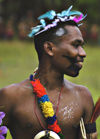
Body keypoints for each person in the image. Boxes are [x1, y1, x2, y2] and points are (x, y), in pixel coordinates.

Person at [0, 6, 98, 139]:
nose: (83, 53)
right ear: (50, 48)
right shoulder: (10, 96)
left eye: (82, 46)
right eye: (76, 45)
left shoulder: (83, 97)